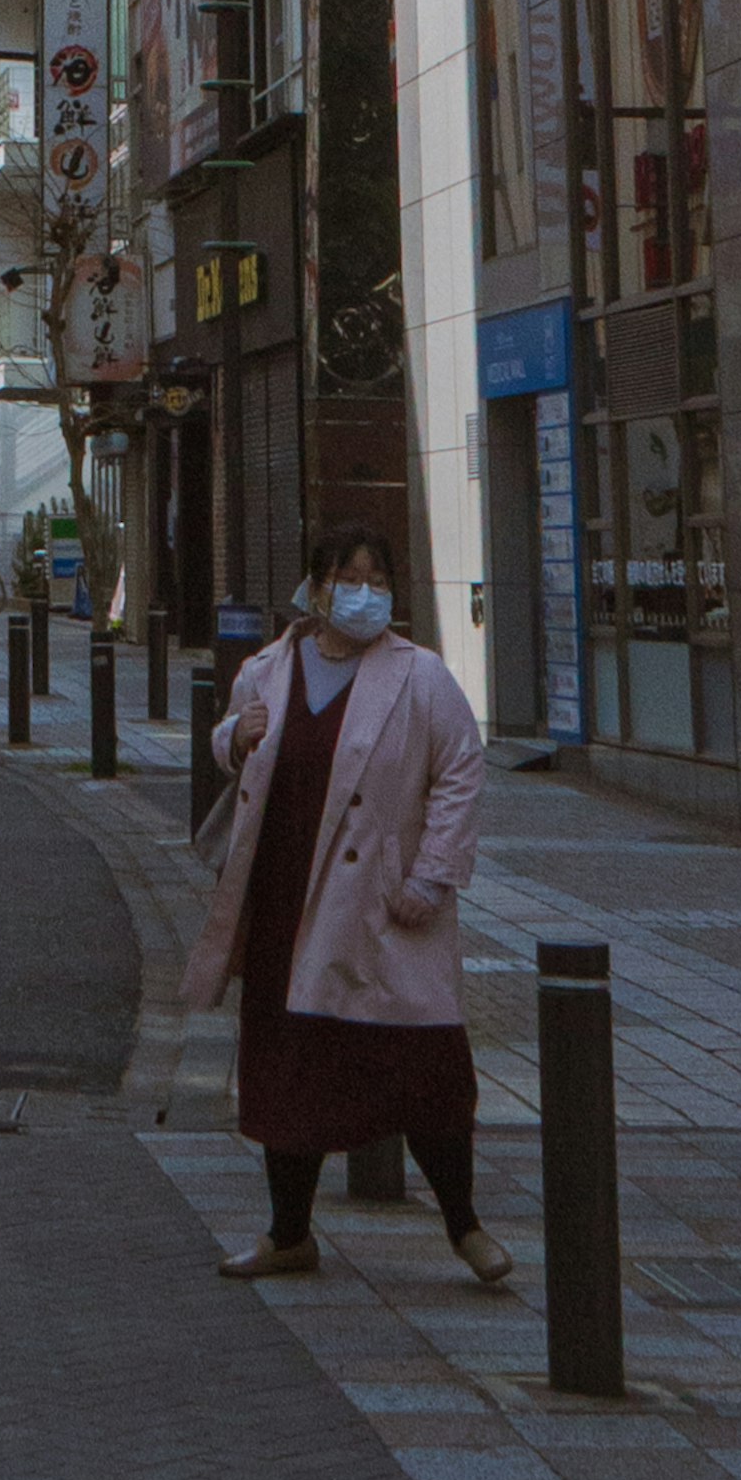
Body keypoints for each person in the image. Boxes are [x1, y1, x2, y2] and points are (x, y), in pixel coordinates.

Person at [185, 521, 509, 1288]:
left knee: (423, 1063)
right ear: (316, 585)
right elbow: (228, 748)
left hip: (382, 905)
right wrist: (235, 736)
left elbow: (461, 768)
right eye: (347, 577)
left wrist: (432, 876)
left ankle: (464, 1224)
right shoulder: (269, 669)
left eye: (376, 578)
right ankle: (288, 1233)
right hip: (285, 897)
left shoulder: (420, 676)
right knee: (288, 1065)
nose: (363, 592)